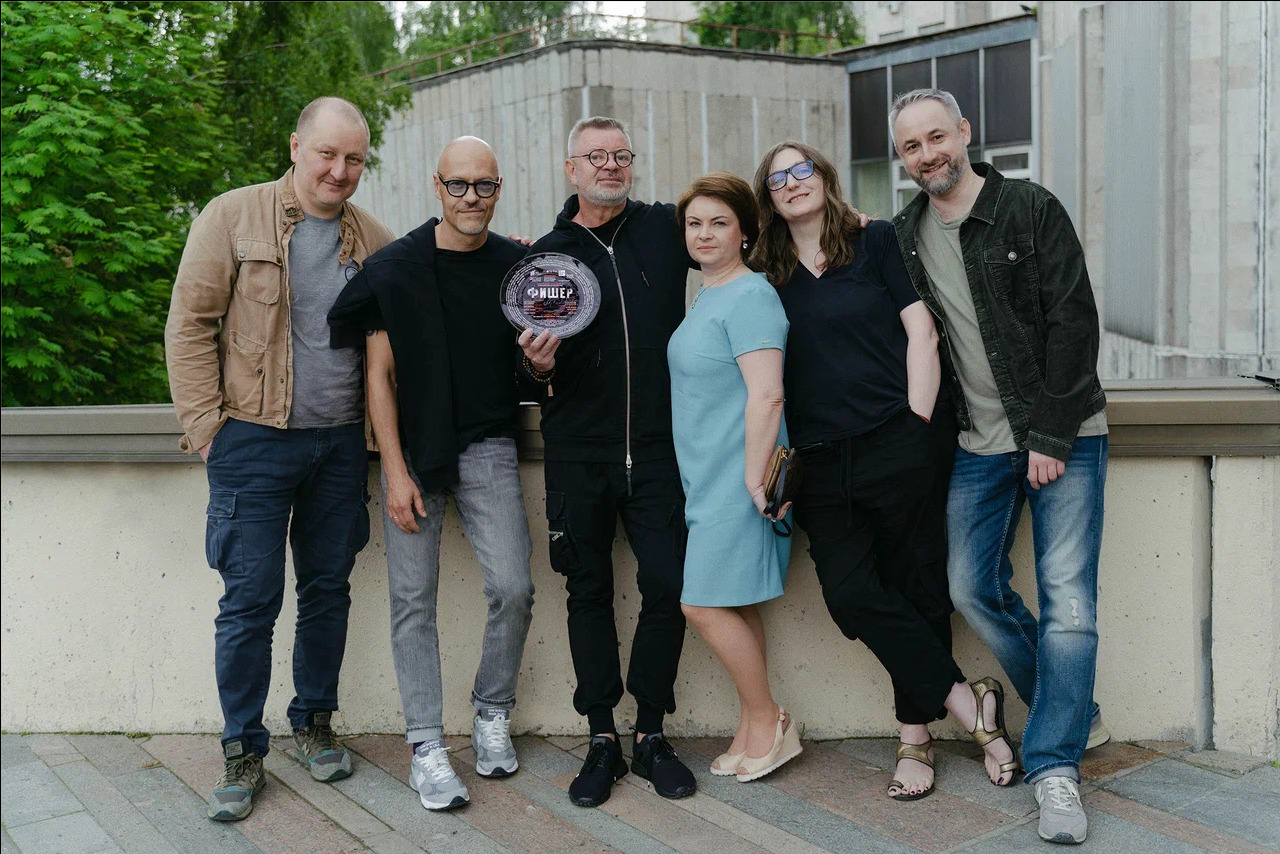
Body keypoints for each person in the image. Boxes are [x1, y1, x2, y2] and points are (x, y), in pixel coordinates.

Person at [751, 140, 1017, 803]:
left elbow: (921, 333)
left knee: (916, 585)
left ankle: (914, 739)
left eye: (802, 170)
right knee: (851, 595)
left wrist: (917, 425)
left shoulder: (873, 241)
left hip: (899, 441)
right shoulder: (765, 272)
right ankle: (971, 704)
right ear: (769, 198)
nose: (792, 183)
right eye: (778, 179)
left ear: (824, 177)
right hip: (819, 462)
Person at [164, 97, 394, 822]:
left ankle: (314, 723)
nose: (339, 171)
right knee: (250, 601)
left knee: (327, 590)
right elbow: (189, 323)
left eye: (354, 159)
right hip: (252, 442)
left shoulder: (374, 240)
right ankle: (242, 749)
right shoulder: (232, 217)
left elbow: (418, 316)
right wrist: (208, 429)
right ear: (296, 146)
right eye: (327, 154)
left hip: (340, 446)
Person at [890, 88, 1109, 844]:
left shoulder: (1029, 208)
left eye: (936, 137)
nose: (928, 155)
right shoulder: (905, 235)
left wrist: (1050, 434)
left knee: (1069, 602)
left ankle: (1054, 768)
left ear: (964, 132)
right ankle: (1071, 710)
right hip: (977, 442)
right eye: (912, 146)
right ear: (902, 158)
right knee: (970, 587)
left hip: (1064, 433)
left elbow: (1075, 322)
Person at [327, 137, 535, 812]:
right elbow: (378, 377)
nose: (471, 197)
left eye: (484, 185)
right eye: (458, 185)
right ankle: (426, 748)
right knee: (412, 599)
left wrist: (542, 360)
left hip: (488, 445)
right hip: (413, 451)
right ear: (437, 186)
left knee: (513, 586)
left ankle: (492, 711)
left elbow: (542, 352)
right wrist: (393, 470)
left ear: (498, 189)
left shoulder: (515, 267)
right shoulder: (396, 269)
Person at [517, 116, 698, 807]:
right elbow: (521, 368)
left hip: (659, 449)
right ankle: (601, 737)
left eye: (621, 154)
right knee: (586, 591)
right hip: (577, 453)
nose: (611, 165)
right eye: (596, 156)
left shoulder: (667, 228)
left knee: (668, 583)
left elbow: (745, 231)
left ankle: (650, 733)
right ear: (572, 169)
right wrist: (535, 368)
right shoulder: (546, 258)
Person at [668, 172, 801, 782]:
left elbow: (768, 394)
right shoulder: (709, 295)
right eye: (695, 223)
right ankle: (753, 727)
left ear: (745, 231)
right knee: (732, 602)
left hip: (739, 478)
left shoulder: (751, 296)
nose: (705, 234)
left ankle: (769, 718)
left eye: (719, 223)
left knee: (700, 604)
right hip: (706, 476)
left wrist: (753, 480)